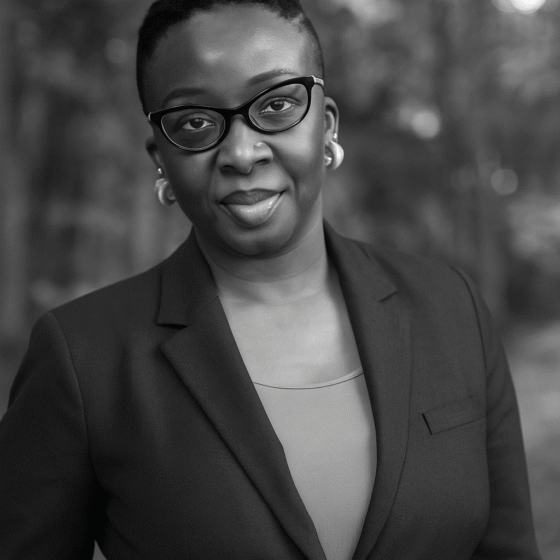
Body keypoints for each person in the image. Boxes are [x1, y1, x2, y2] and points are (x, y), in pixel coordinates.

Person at [0, 1, 542, 559]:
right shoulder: (84, 359)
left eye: (277, 104)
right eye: (195, 122)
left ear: (326, 124)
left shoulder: (450, 307)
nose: (241, 153)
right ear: (161, 157)